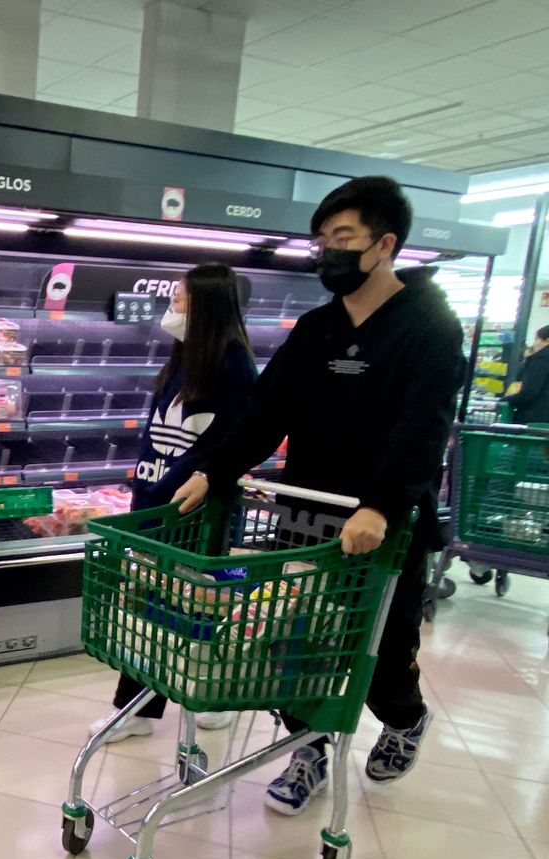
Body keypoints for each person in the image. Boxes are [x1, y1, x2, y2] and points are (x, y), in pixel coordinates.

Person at [173, 175, 466, 814]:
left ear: (385, 243)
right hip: (304, 515)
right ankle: (308, 751)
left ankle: (405, 717)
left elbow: (425, 428)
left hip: (381, 527)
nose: (326, 252)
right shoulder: (316, 329)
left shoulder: (431, 328)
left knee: (385, 655)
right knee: (292, 641)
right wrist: (215, 469)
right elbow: (264, 412)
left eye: (343, 238)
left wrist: (382, 504)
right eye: (321, 241)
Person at [90, 263, 258, 743]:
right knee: (151, 612)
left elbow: (231, 444)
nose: (172, 305)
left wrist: (193, 484)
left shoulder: (233, 364)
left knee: (202, 613)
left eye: (180, 298)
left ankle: (216, 696)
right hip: (156, 504)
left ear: (205, 305)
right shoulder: (184, 357)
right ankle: (138, 710)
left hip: (199, 513)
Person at [503, 325, 549, 424]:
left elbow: (529, 392)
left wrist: (504, 401)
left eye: (537, 339)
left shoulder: (541, 360)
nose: (534, 344)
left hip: (534, 418)